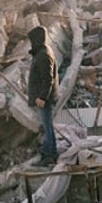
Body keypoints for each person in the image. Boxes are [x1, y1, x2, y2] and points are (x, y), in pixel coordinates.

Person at [27, 25, 59, 164]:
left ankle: (49, 155)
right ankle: (51, 152)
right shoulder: (43, 52)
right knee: (48, 127)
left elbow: (48, 79)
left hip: (44, 98)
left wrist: (42, 97)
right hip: (43, 97)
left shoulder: (43, 55)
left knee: (47, 128)